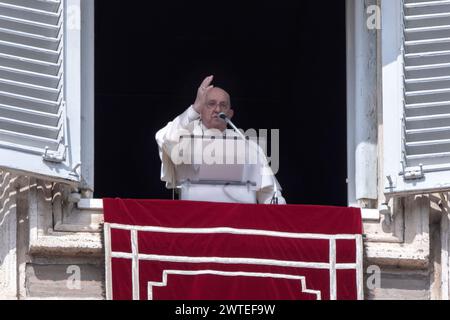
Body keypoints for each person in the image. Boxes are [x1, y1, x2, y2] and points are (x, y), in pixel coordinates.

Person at [155, 75, 286, 204]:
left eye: (223, 105)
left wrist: (281, 216)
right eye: (211, 104)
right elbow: (163, 139)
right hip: (195, 220)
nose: (217, 109)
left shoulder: (248, 145)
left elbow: (270, 194)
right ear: (201, 109)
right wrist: (194, 108)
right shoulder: (185, 137)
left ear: (230, 113)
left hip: (239, 221)